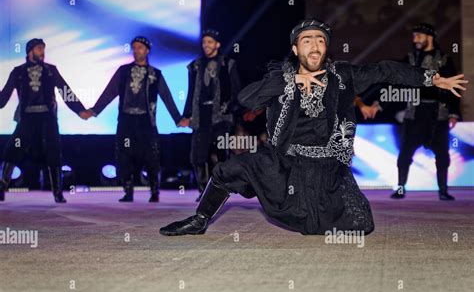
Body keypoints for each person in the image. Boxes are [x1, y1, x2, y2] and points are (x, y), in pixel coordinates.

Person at [159, 19, 468, 236]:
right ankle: (200, 219)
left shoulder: (343, 76)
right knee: (227, 171)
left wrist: (431, 79)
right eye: (307, 40)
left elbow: (384, 70)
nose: (315, 45)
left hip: (327, 168)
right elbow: (245, 97)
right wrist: (290, 80)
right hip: (284, 164)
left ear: (327, 48)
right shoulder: (281, 77)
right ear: (296, 50)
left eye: (320, 40)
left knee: (360, 224)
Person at [85, 36, 185, 202]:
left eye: (140, 47)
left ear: (147, 50)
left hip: (146, 120)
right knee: (124, 155)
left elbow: (166, 96)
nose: (136, 50)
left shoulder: (155, 74)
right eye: (134, 47)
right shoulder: (123, 71)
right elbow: (109, 92)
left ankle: (154, 191)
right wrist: (95, 110)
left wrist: (177, 118)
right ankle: (128, 192)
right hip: (126, 120)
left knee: (152, 156)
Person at [0, 38, 89, 203]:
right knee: (12, 149)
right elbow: (4, 96)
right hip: (26, 119)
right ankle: (1, 187)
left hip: (47, 118)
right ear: (29, 51)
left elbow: (65, 91)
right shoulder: (18, 71)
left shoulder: (51, 70)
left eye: (43, 48)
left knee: (54, 152)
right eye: (39, 48)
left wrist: (80, 110)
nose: (42, 51)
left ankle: (57, 193)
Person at [390, 23, 462, 200]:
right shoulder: (409, 59)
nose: (414, 39)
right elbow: (395, 81)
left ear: (429, 36)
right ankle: (400, 187)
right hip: (414, 111)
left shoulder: (444, 59)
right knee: (405, 152)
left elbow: (454, 88)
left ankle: (443, 190)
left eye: (418, 35)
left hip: (438, 112)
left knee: (442, 154)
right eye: (413, 36)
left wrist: (453, 112)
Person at [179, 29, 241, 201]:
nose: (206, 45)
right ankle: (203, 190)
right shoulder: (195, 65)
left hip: (221, 114)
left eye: (210, 42)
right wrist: (186, 115)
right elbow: (191, 92)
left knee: (221, 153)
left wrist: (234, 111)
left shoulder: (227, 63)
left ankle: (222, 189)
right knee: (198, 155)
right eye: (204, 42)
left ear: (217, 44)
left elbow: (236, 90)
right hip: (201, 115)